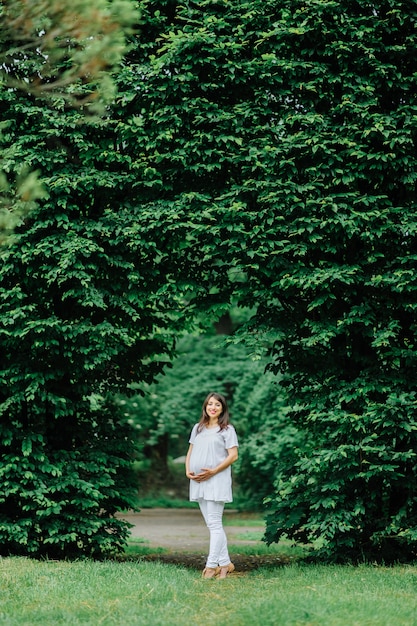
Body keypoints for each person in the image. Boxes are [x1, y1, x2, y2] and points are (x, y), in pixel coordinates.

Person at [185, 392, 239, 579]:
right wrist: (187, 471)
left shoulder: (227, 430)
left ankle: (211, 566)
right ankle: (225, 564)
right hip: (198, 480)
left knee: (215, 524)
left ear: (222, 408)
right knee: (212, 524)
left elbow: (233, 455)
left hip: (216, 480)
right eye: (209, 404)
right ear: (205, 407)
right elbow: (190, 451)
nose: (213, 407)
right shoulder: (197, 428)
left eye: (217, 404)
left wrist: (213, 471)